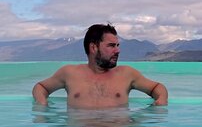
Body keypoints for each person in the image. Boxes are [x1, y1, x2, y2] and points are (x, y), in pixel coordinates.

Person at [32, 23, 168, 108]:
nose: (117, 50)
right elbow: (41, 87)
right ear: (93, 47)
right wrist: (42, 104)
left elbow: (157, 87)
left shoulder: (127, 74)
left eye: (118, 45)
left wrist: (162, 99)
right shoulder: (69, 73)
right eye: (111, 46)